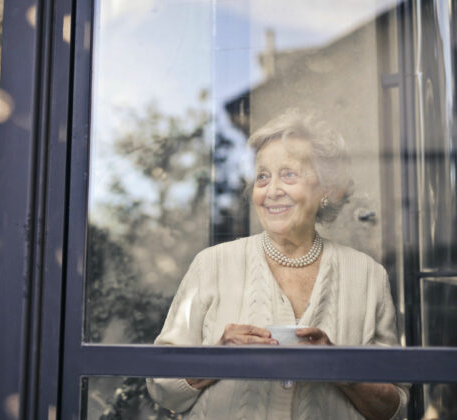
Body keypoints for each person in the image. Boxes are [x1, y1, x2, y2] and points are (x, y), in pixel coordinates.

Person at [146, 109, 408, 420]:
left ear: (325, 189)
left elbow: (393, 406)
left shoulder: (368, 276)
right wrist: (218, 356)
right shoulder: (211, 265)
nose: (272, 191)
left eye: (288, 175)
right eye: (262, 177)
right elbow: (161, 385)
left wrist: (339, 366)